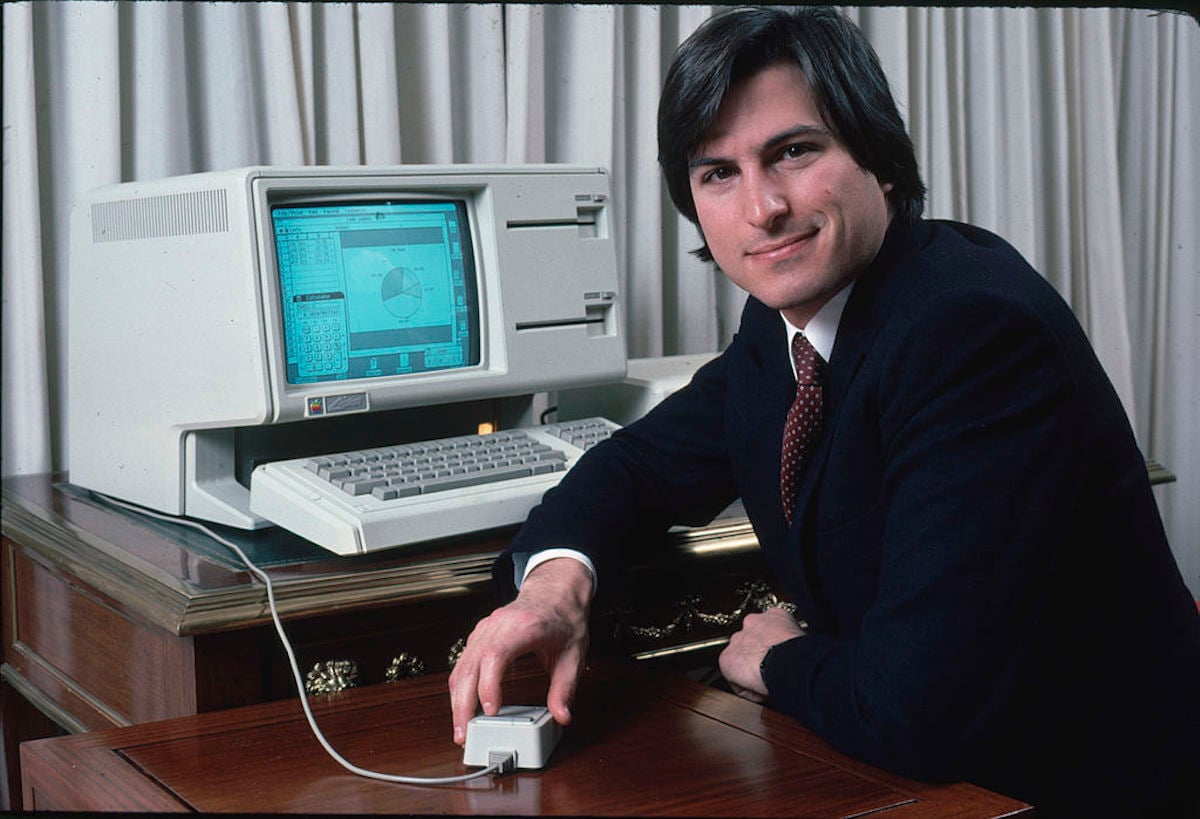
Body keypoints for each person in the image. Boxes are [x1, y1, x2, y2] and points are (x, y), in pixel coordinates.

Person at [448, 7, 1200, 815]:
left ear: (877, 156)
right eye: (718, 173)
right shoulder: (788, 324)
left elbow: (918, 711)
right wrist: (554, 587)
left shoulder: (971, 330)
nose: (763, 207)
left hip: (1081, 786)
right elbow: (642, 464)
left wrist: (776, 658)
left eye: (793, 151)